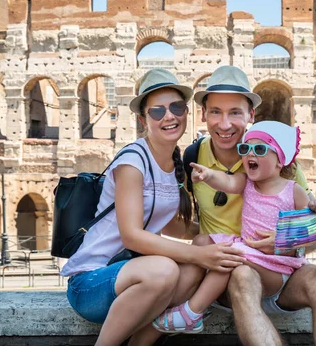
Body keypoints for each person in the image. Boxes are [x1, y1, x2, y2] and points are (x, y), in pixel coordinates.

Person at [60, 68, 245, 346]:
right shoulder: (132, 162)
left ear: (186, 112)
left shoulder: (172, 161)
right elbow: (132, 236)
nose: (169, 116)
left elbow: (168, 223)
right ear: (143, 119)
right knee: (167, 268)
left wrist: (221, 236)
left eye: (176, 107)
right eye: (157, 111)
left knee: (193, 266)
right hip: (92, 282)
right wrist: (201, 255)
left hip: (129, 277)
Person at [187, 66, 316, 346]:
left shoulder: (281, 162)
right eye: (215, 111)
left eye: (235, 113)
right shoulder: (192, 159)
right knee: (242, 274)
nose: (224, 124)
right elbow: (178, 221)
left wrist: (285, 240)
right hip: (230, 279)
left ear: (251, 115)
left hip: (281, 275)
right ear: (203, 114)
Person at [152, 121, 313, 333]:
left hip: (276, 265)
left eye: (260, 149)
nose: (250, 154)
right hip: (249, 251)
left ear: (279, 161)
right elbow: (227, 182)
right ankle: (193, 302)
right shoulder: (247, 183)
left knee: (226, 257)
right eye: (245, 149)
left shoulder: (293, 190)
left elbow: (311, 226)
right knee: (202, 241)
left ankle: (192, 312)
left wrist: (314, 208)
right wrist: (208, 175)